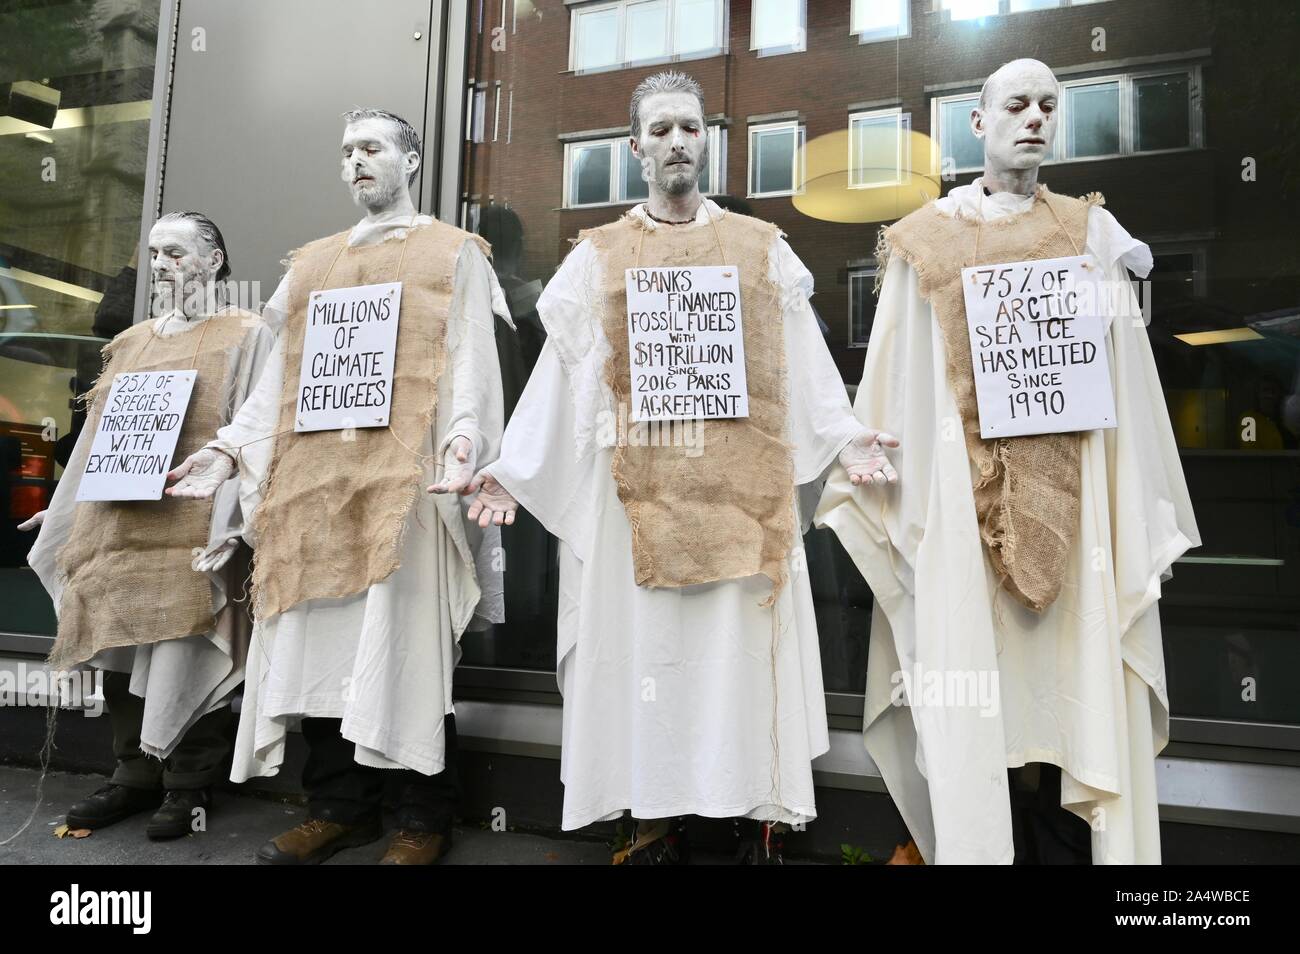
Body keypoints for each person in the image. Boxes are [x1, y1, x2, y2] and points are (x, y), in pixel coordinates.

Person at [452, 71, 896, 864]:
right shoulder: (601, 258)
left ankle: (732, 820)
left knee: (728, 662)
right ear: (633, 148)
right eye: (658, 131)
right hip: (637, 509)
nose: (676, 142)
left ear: (708, 140)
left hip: (737, 500)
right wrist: (515, 468)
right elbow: (561, 374)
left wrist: (844, 436)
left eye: (688, 127)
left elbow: (802, 363)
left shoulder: (761, 250)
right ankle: (650, 819)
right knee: (647, 661)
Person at [816, 59, 1200, 864]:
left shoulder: (1089, 233)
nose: (1036, 118)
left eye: (1049, 106)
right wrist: (868, 445)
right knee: (974, 681)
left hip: (1077, 496)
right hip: (962, 498)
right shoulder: (925, 240)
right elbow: (901, 376)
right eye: (1016, 104)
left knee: (1069, 672)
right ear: (979, 123)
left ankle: (1061, 839)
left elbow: (1122, 371)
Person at [166, 108, 509, 865]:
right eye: (347, 150)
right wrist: (227, 452)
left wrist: (464, 438)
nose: (357, 160)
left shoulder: (452, 252)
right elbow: (279, 380)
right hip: (316, 488)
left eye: (374, 147)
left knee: (403, 644)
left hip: (403, 487)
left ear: (410, 161)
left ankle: (422, 815)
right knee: (322, 642)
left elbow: (471, 356)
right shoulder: (313, 265)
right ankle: (338, 807)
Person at [24, 211, 272, 840]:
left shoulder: (247, 333)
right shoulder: (131, 342)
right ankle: (133, 773)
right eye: (154, 253)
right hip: (121, 521)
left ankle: (188, 784)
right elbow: (96, 441)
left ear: (214, 260)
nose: (161, 265)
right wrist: (62, 510)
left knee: (187, 642)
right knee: (118, 639)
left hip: (195, 521)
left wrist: (237, 520)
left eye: (176, 252)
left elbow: (260, 426)